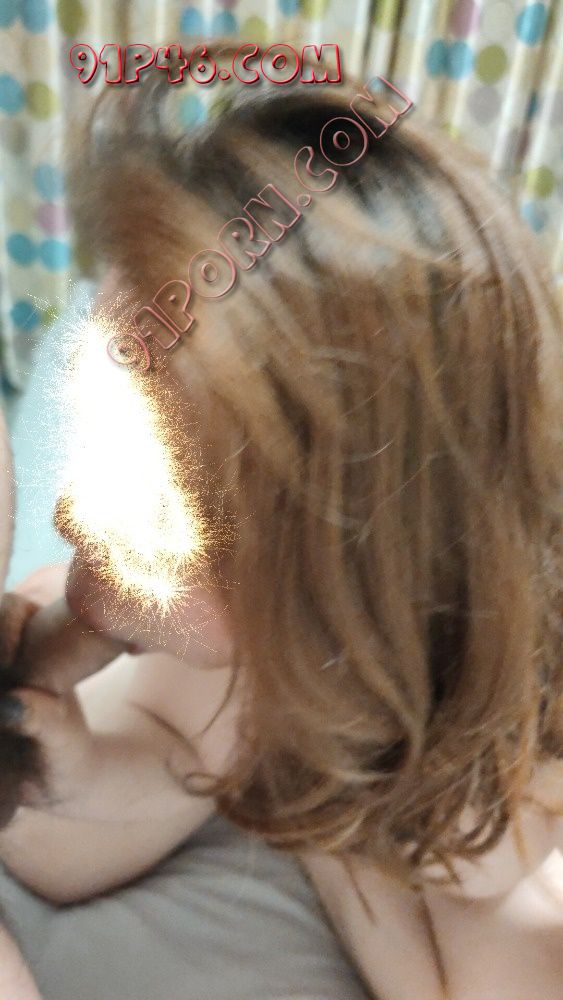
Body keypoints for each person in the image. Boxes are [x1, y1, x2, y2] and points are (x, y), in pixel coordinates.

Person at [0, 61, 562, 998]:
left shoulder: (514, 736)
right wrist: (75, 765)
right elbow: (144, 786)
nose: (69, 518)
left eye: (154, 513)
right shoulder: (237, 644)